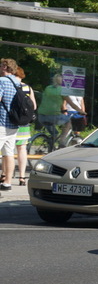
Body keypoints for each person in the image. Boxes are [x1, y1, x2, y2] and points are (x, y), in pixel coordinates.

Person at [38, 74, 86, 147]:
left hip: (41, 116)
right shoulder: (62, 91)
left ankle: (51, 145)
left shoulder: (48, 88)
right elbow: (72, 104)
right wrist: (81, 111)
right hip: (53, 116)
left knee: (54, 134)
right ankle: (62, 141)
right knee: (68, 121)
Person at [11, 67, 37, 186]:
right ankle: (22, 177)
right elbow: (34, 106)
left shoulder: (10, 85)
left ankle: (5, 175)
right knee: (22, 149)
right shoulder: (28, 87)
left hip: (10, 121)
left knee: (8, 149)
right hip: (23, 122)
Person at [0, 58, 21, 191]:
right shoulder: (17, 82)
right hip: (13, 123)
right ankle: (7, 182)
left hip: (1, 121)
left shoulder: (1, 81)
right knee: (9, 153)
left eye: (1, 65)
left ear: (5, 68)